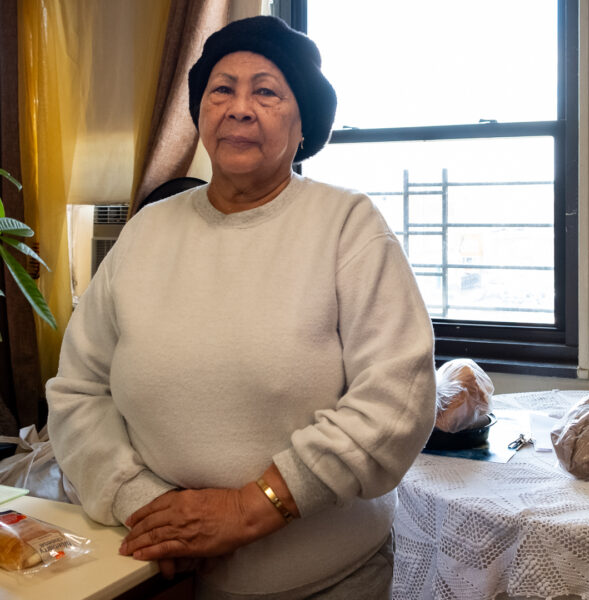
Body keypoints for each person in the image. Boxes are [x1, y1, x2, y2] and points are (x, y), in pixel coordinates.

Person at [46, 15, 436, 600]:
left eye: (267, 91)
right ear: (200, 113)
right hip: (160, 572)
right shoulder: (146, 232)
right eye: (221, 89)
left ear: (303, 124)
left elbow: (396, 399)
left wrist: (252, 507)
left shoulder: (347, 225)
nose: (240, 107)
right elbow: (79, 391)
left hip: (326, 581)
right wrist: (140, 502)